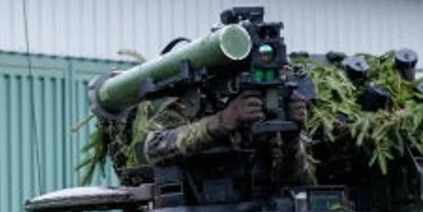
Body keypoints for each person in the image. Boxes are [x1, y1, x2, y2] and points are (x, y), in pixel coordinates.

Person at [122, 79, 313, 189]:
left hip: (261, 211)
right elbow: (154, 148)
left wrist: (292, 135)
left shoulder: (270, 108)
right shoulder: (192, 103)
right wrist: (221, 122)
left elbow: (296, 181)